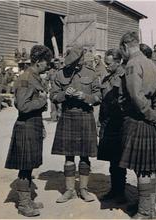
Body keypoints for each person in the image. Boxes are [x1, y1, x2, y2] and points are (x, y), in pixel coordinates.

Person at [119, 32, 156, 219]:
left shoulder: (132, 64)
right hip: (152, 119)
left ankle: (145, 211)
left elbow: (135, 96)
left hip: (139, 120)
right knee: (150, 167)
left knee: (143, 169)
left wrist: (150, 115)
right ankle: (149, 206)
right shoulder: (152, 64)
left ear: (124, 47)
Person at [5, 45, 53, 217]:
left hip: (33, 124)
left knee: (30, 164)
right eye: (46, 63)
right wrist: (42, 101)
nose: (48, 66)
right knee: (25, 166)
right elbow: (23, 106)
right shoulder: (26, 78)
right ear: (38, 61)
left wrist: (41, 126)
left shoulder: (34, 76)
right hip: (26, 126)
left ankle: (27, 200)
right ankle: (23, 204)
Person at [51, 44, 101, 203]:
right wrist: (63, 94)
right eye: (72, 64)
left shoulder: (91, 73)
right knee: (69, 156)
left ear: (81, 60)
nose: (75, 66)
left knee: (85, 156)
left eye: (78, 63)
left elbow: (98, 96)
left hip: (85, 116)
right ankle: (69, 190)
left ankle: (84, 190)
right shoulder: (60, 74)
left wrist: (85, 97)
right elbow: (52, 96)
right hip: (67, 117)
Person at [97, 49, 126, 203]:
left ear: (118, 61)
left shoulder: (125, 77)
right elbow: (103, 101)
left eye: (109, 64)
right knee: (112, 160)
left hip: (120, 123)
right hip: (108, 122)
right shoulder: (107, 78)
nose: (106, 66)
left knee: (121, 159)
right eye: (106, 63)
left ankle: (121, 192)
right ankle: (115, 190)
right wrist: (100, 120)